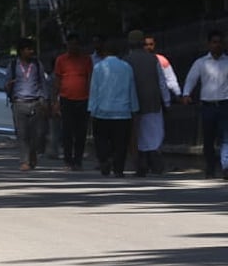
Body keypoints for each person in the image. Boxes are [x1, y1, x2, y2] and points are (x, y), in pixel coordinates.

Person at [179, 30, 228, 179]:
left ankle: (226, 167)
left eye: (219, 42)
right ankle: (210, 168)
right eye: (214, 42)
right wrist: (186, 94)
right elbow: (191, 79)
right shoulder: (201, 63)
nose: (217, 45)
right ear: (209, 44)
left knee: (226, 138)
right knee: (208, 139)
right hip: (207, 106)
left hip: (225, 104)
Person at [88, 39, 139, 178]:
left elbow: (94, 89)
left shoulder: (98, 67)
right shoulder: (126, 67)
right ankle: (118, 168)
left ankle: (104, 160)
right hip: (122, 112)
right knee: (121, 143)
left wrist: (92, 108)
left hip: (102, 111)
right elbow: (131, 89)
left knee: (101, 139)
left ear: (104, 52)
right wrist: (134, 107)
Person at [124, 29, 170, 176]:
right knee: (154, 133)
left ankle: (140, 163)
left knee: (136, 133)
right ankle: (155, 161)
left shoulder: (126, 61)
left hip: (134, 103)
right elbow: (162, 82)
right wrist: (167, 101)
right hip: (153, 101)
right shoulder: (153, 59)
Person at [5, 37, 50, 171]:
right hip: (19, 102)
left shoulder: (37, 64)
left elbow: (43, 82)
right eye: (28, 49)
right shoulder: (13, 65)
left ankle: (33, 154)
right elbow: (6, 84)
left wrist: (45, 100)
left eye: (32, 49)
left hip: (36, 102)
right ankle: (24, 160)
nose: (31, 51)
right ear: (21, 51)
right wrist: (8, 86)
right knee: (22, 134)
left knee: (37, 134)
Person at [51, 32, 93, 170]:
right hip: (66, 99)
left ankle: (78, 160)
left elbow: (90, 79)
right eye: (71, 44)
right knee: (67, 131)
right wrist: (55, 100)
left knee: (81, 132)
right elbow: (57, 80)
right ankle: (68, 160)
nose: (73, 47)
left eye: (76, 44)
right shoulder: (61, 60)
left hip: (83, 99)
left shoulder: (86, 60)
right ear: (67, 45)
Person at [144, 34, 181, 99]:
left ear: (154, 45)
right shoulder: (138, 61)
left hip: (159, 97)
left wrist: (178, 94)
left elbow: (171, 79)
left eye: (151, 44)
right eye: (146, 45)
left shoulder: (162, 60)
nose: (148, 47)